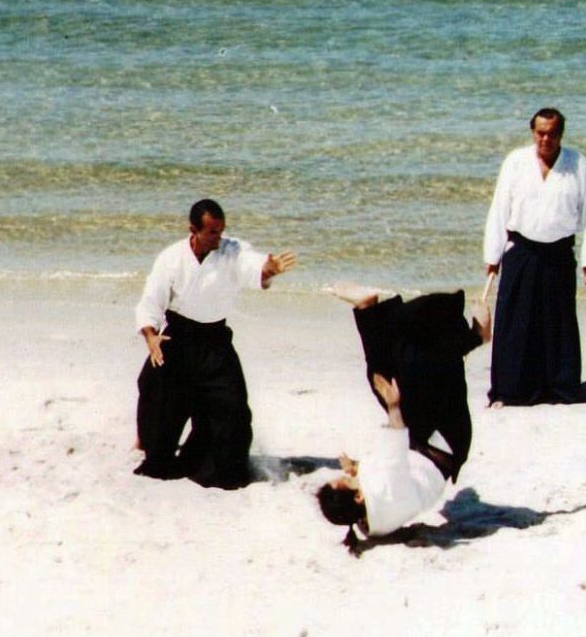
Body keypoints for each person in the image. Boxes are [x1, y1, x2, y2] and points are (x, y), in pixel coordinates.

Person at [134, 199, 297, 489]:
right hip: (178, 337)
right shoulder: (171, 258)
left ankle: (207, 462)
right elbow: (151, 300)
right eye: (211, 232)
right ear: (193, 230)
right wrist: (151, 336)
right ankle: (152, 446)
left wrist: (268, 269)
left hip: (215, 342)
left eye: (221, 231)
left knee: (232, 410)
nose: (218, 237)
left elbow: (251, 264)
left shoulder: (231, 250)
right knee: (156, 395)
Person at [318, 284, 492, 541]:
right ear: (358, 496)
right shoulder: (384, 491)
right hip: (444, 439)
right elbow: (395, 442)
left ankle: (366, 308)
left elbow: (388, 479)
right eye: (345, 480)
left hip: (421, 441)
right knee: (413, 366)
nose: (344, 475)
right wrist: (393, 405)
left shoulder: (370, 519)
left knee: (379, 376)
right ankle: (476, 337)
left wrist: (357, 468)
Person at [483, 107, 586, 405]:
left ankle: (560, 388)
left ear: (561, 134)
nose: (545, 139)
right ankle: (510, 390)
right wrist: (493, 254)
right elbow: (499, 208)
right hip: (521, 251)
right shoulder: (516, 162)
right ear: (532, 132)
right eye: (540, 133)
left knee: (558, 323)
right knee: (515, 321)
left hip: (559, 252)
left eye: (552, 133)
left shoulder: (577, 164)